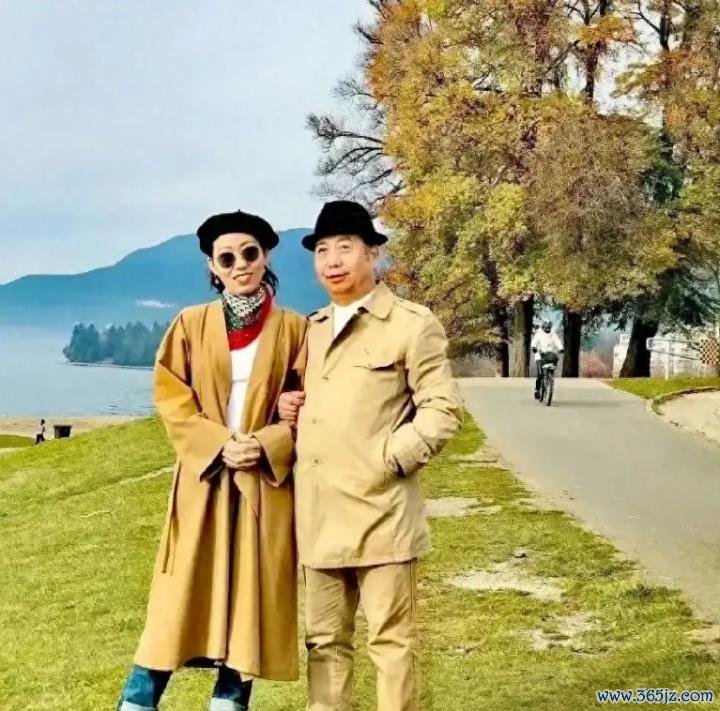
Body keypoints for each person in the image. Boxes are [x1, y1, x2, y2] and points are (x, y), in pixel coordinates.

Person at [117, 210, 307, 711]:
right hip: (204, 479)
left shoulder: (295, 329)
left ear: (266, 257)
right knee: (177, 597)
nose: (240, 265)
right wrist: (219, 443)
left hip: (263, 483)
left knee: (249, 599)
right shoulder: (190, 323)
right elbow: (172, 396)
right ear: (213, 267)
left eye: (250, 253)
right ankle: (138, 701)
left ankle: (229, 701)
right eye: (228, 258)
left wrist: (268, 442)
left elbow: (308, 404)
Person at [278, 200, 463, 711]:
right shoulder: (311, 329)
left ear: (373, 253)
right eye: (322, 250)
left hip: (383, 515)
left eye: (345, 247)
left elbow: (442, 409)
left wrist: (389, 459)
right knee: (324, 643)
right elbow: (303, 401)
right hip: (319, 516)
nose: (332, 260)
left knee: (391, 643)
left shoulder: (411, 323)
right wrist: (286, 406)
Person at [531, 320, 564, 399]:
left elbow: (557, 342)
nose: (548, 329)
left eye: (549, 328)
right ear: (543, 328)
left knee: (551, 371)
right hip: (540, 356)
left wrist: (561, 348)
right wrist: (534, 348)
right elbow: (534, 342)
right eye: (546, 328)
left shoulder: (553, 335)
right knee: (540, 374)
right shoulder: (539, 334)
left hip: (550, 356)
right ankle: (537, 390)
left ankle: (550, 381)